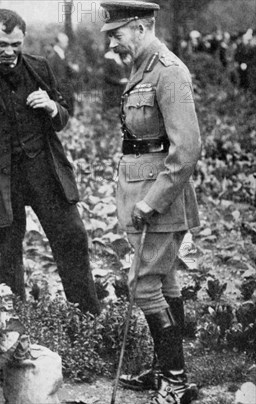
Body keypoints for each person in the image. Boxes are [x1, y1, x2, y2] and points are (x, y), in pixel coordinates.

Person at [0, 9, 101, 315]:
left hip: (44, 173)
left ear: (24, 40)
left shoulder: (39, 67)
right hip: (2, 180)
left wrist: (51, 106)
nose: (9, 52)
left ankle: (88, 316)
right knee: (10, 252)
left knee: (72, 236)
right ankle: (17, 323)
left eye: (16, 44)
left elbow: (62, 115)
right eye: (2, 45)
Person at [100, 1, 201, 403]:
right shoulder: (141, 68)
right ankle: (165, 371)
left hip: (160, 200)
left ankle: (176, 383)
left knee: (142, 285)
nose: (112, 43)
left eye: (118, 34)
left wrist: (153, 201)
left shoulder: (168, 70)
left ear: (141, 28)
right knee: (164, 281)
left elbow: (187, 147)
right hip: (140, 191)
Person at [47, 32, 78, 116]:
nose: (67, 44)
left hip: (64, 87)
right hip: (59, 88)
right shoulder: (53, 54)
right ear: (59, 43)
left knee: (67, 111)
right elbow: (52, 73)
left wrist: (72, 68)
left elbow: (65, 69)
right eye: (65, 42)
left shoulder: (61, 53)